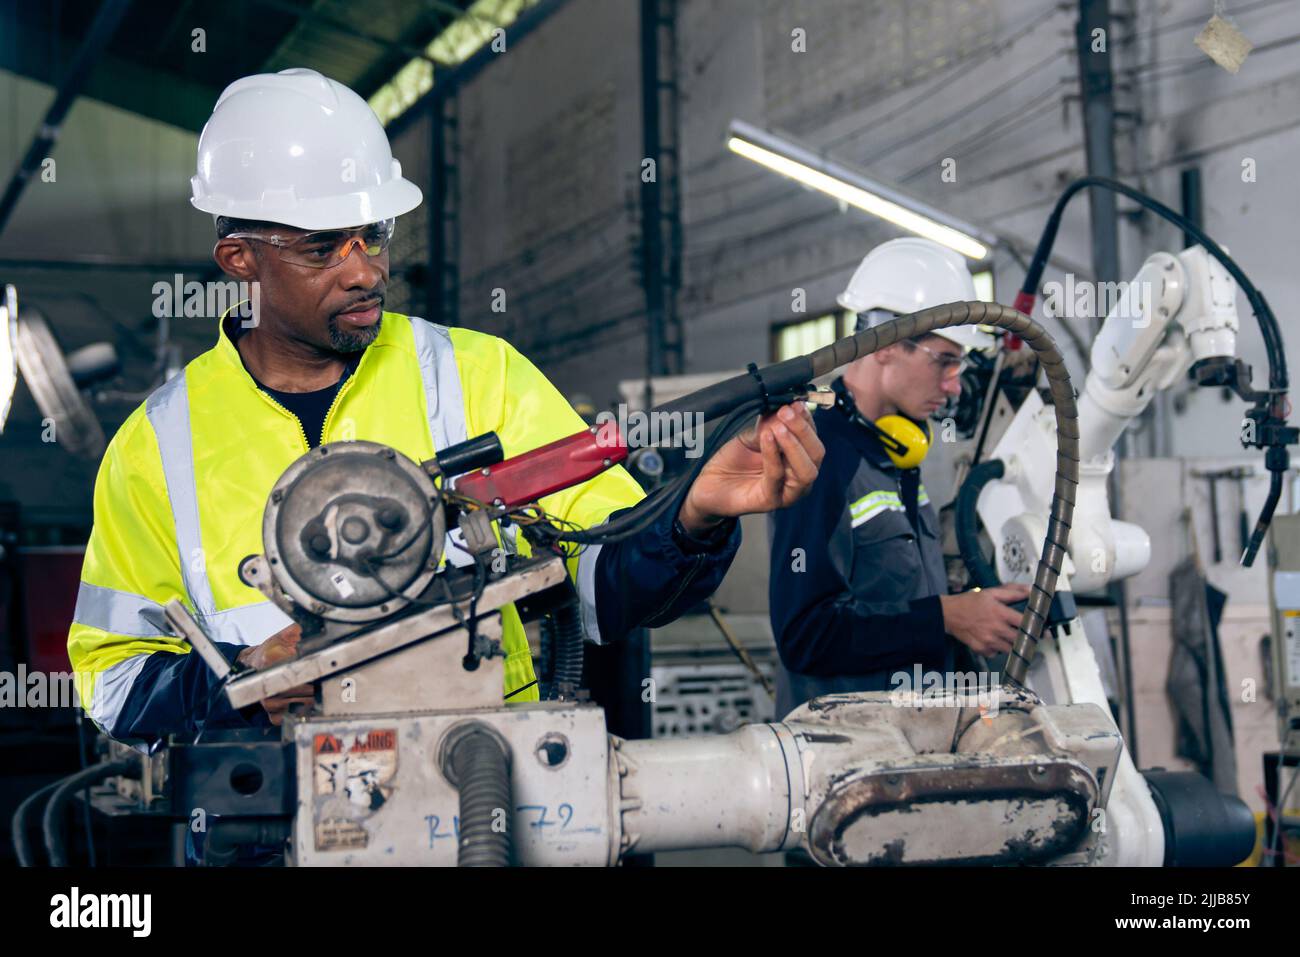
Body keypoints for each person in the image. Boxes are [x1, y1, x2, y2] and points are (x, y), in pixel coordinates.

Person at [68, 69, 823, 745]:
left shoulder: (477, 374)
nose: (365, 269)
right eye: (324, 246)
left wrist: (695, 517)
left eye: (375, 235)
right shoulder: (156, 445)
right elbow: (112, 685)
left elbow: (604, 582)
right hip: (270, 825)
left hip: (488, 794)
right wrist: (243, 681)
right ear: (240, 259)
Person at [767, 237, 1028, 717]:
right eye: (944, 360)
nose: (953, 385)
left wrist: (975, 614)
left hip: (914, 742)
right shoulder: (819, 454)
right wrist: (946, 618)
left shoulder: (900, 451)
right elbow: (804, 636)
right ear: (885, 343)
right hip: (841, 754)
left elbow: (894, 600)